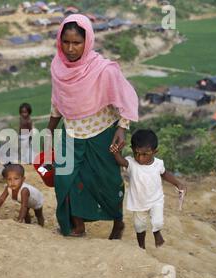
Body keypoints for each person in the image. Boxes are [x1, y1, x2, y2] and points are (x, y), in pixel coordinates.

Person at [46, 14, 139, 238]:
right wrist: (49, 129)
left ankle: (118, 222)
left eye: (76, 43)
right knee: (66, 179)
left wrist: (122, 128)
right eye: (65, 42)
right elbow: (58, 100)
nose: (70, 48)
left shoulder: (104, 70)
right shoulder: (58, 67)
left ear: (87, 42)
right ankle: (77, 225)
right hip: (71, 132)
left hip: (102, 132)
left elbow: (123, 98)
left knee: (108, 180)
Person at [110, 129, 187, 249]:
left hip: (156, 199)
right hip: (139, 202)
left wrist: (178, 184)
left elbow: (165, 174)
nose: (140, 158)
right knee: (139, 226)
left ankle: (157, 233)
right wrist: (115, 153)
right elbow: (121, 161)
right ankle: (141, 246)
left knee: (157, 222)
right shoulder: (131, 163)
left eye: (145, 154)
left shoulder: (158, 164)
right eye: (136, 153)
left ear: (154, 151)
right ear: (132, 149)